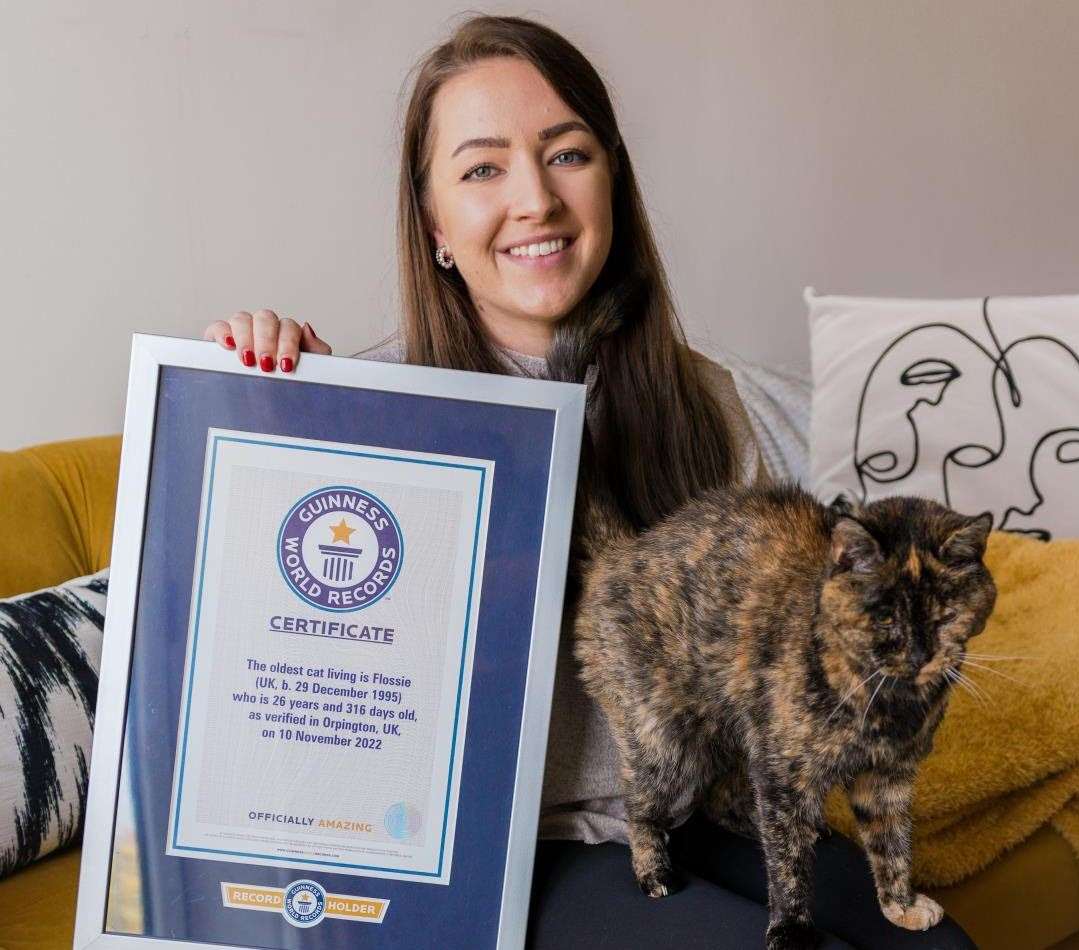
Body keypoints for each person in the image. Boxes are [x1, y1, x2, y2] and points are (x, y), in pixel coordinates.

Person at [202, 14, 975, 949]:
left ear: (612, 180)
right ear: (435, 222)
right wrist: (278, 413)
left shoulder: (715, 405)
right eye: (483, 169)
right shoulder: (372, 408)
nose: (535, 199)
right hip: (514, 858)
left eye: (566, 154)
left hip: (709, 815)